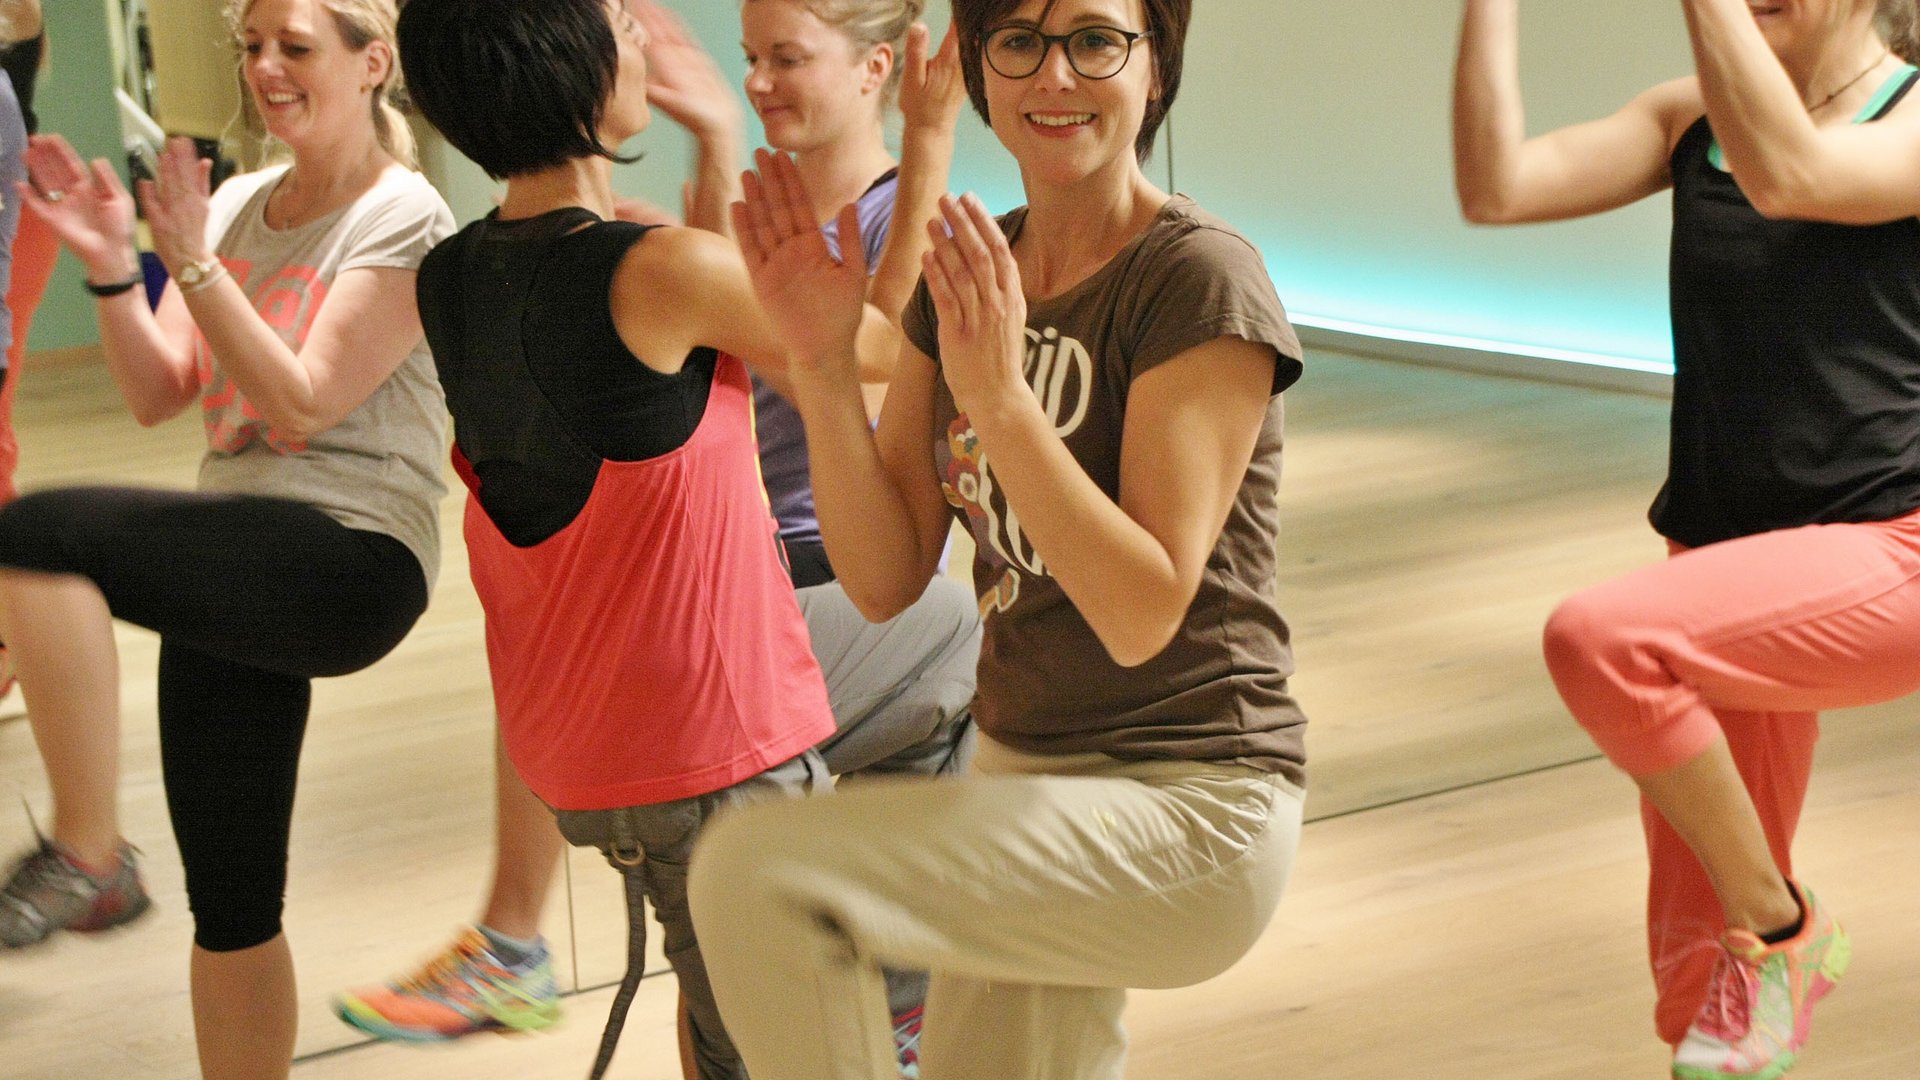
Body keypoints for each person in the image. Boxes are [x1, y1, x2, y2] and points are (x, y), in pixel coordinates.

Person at [337, 3, 976, 1074]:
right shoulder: (656, 271)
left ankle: (894, 983)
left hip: (574, 742)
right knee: (785, 1050)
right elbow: (874, 347)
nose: (639, 34)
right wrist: (930, 137)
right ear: (578, 74)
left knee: (948, 628)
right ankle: (897, 1006)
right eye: (617, 25)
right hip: (699, 746)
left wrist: (719, 146)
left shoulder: (454, 276)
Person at [687, 0, 1309, 1076]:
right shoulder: (970, 273)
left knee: (758, 872)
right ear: (980, 71)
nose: (1054, 75)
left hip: (1193, 804)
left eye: (1095, 39)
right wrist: (825, 363)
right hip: (1025, 783)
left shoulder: (1198, 281)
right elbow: (884, 578)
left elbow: (1142, 610)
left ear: (1154, 66)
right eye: (1017, 42)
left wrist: (1005, 403)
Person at [1454, 1, 1920, 1076]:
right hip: (1725, 565)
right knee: (1705, 987)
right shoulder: (1689, 118)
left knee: (1602, 640)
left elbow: (1793, 176)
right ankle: (1757, 969)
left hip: (1891, 549)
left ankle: (1792, 927)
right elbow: (1496, 187)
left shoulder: (1905, 118)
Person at [0, 0, 452, 1077]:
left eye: (296, 47)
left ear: (371, 61)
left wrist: (194, 267)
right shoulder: (243, 201)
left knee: (33, 532)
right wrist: (117, 269)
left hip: (350, 557)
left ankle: (91, 854)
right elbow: (161, 393)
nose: (265, 68)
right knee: (233, 900)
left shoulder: (409, 217)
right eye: (251, 47)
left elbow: (301, 404)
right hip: (238, 551)